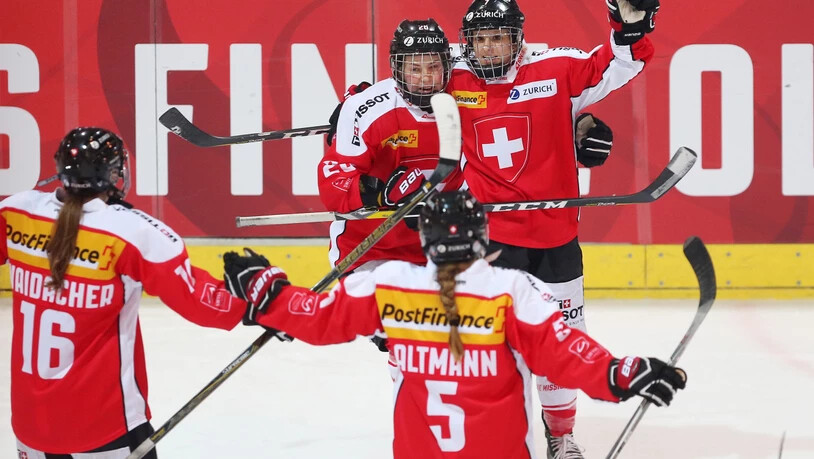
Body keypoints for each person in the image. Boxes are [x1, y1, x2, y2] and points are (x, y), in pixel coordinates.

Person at [222, 190, 687, 459]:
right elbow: (564, 353)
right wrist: (621, 372)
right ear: (482, 236)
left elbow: (321, 319)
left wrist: (267, 292)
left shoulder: (389, 282)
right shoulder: (511, 289)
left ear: (423, 239)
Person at [448, 0, 658, 455]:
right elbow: (408, 79)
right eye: (479, 39)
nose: (487, 48)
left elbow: (620, 62)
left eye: (497, 37)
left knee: (562, 345)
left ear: (517, 38)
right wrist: (356, 99)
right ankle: (496, 435)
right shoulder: (454, 75)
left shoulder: (555, 68)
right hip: (490, 244)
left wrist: (631, 24)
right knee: (490, 349)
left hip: (555, 241)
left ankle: (560, 435)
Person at [0, 127, 248, 458]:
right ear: (112, 174)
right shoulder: (130, 231)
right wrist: (258, 297)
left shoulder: (17, 211)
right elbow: (202, 304)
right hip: (104, 430)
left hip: (31, 429)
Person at [319, 18, 462, 274]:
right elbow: (333, 184)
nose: (425, 78)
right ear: (397, 69)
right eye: (414, 69)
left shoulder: (467, 98)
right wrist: (378, 193)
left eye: (433, 67)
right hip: (372, 250)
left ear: (447, 66)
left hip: (445, 247)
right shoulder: (369, 109)